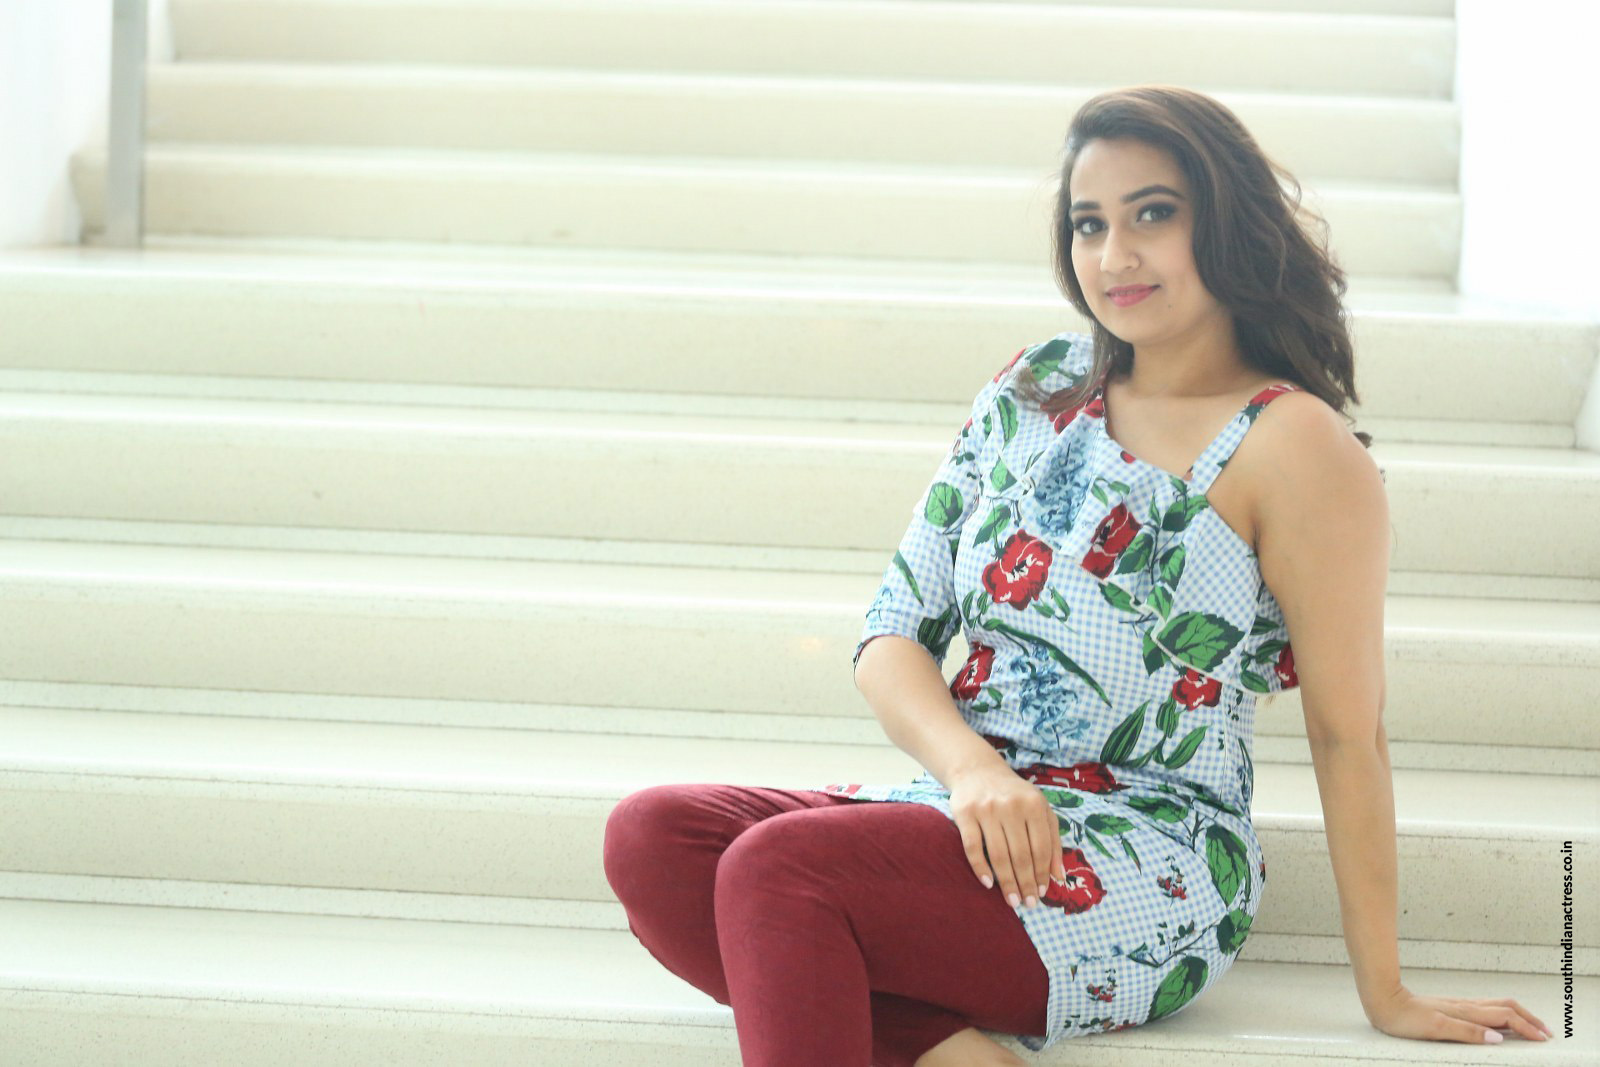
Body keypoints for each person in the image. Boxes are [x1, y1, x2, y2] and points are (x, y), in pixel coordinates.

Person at [602, 84, 1554, 1066]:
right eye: (1088, 223)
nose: (1113, 255)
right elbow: (892, 632)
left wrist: (1385, 988)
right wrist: (973, 770)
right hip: (970, 811)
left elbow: (1347, 732)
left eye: (1153, 214)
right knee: (654, 837)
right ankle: (950, 1050)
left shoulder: (1291, 443)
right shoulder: (1037, 384)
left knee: (776, 872)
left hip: (1149, 852)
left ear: (1225, 220)